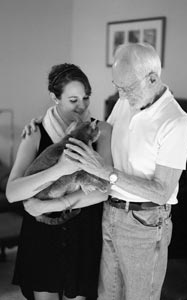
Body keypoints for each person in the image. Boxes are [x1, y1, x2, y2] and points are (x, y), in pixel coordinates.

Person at [62, 43, 187, 300]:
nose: (120, 95)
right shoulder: (126, 100)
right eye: (116, 86)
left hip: (145, 222)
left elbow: (161, 192)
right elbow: (105, 133)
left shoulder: (175, 122)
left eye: (127, 88)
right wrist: (47, 122)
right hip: (111, 211)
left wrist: (107, 172)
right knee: (107, 295)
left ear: (152, 78)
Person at [6, 63, 112, 300]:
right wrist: (60, 169)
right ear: (54, 97)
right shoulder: (35, 133)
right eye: (73, 100)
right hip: (41, 235)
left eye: (86, 97)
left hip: (83, 232)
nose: (82, 106)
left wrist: (49, 205)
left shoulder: (101, 130)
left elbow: (103, 191)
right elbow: (13, 192)